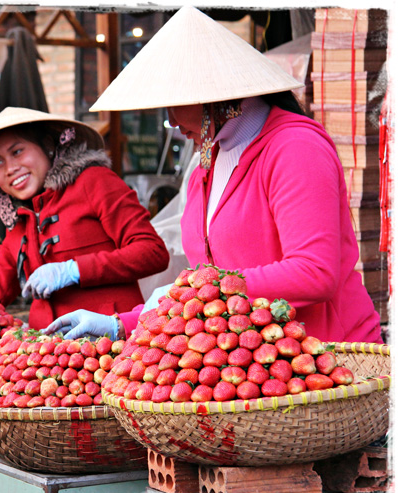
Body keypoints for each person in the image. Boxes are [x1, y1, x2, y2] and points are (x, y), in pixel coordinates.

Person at [44, 6, 382, 344]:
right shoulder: (203, 169)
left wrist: (199, 288)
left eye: (175, 103)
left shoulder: (295, 147)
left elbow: (314, 273)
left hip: (330, 358)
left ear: (214, 96)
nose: (171, 120)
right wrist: (120, 324)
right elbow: (204, 298)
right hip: (252, 365)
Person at [0, 107, 169, 330]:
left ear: (48, 146)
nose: (10, 168)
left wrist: (74, 270)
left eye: (17, 152)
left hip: (113, 347)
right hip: (46, 355)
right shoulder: (19, 221)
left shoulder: (94, 181)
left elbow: (152, 252)